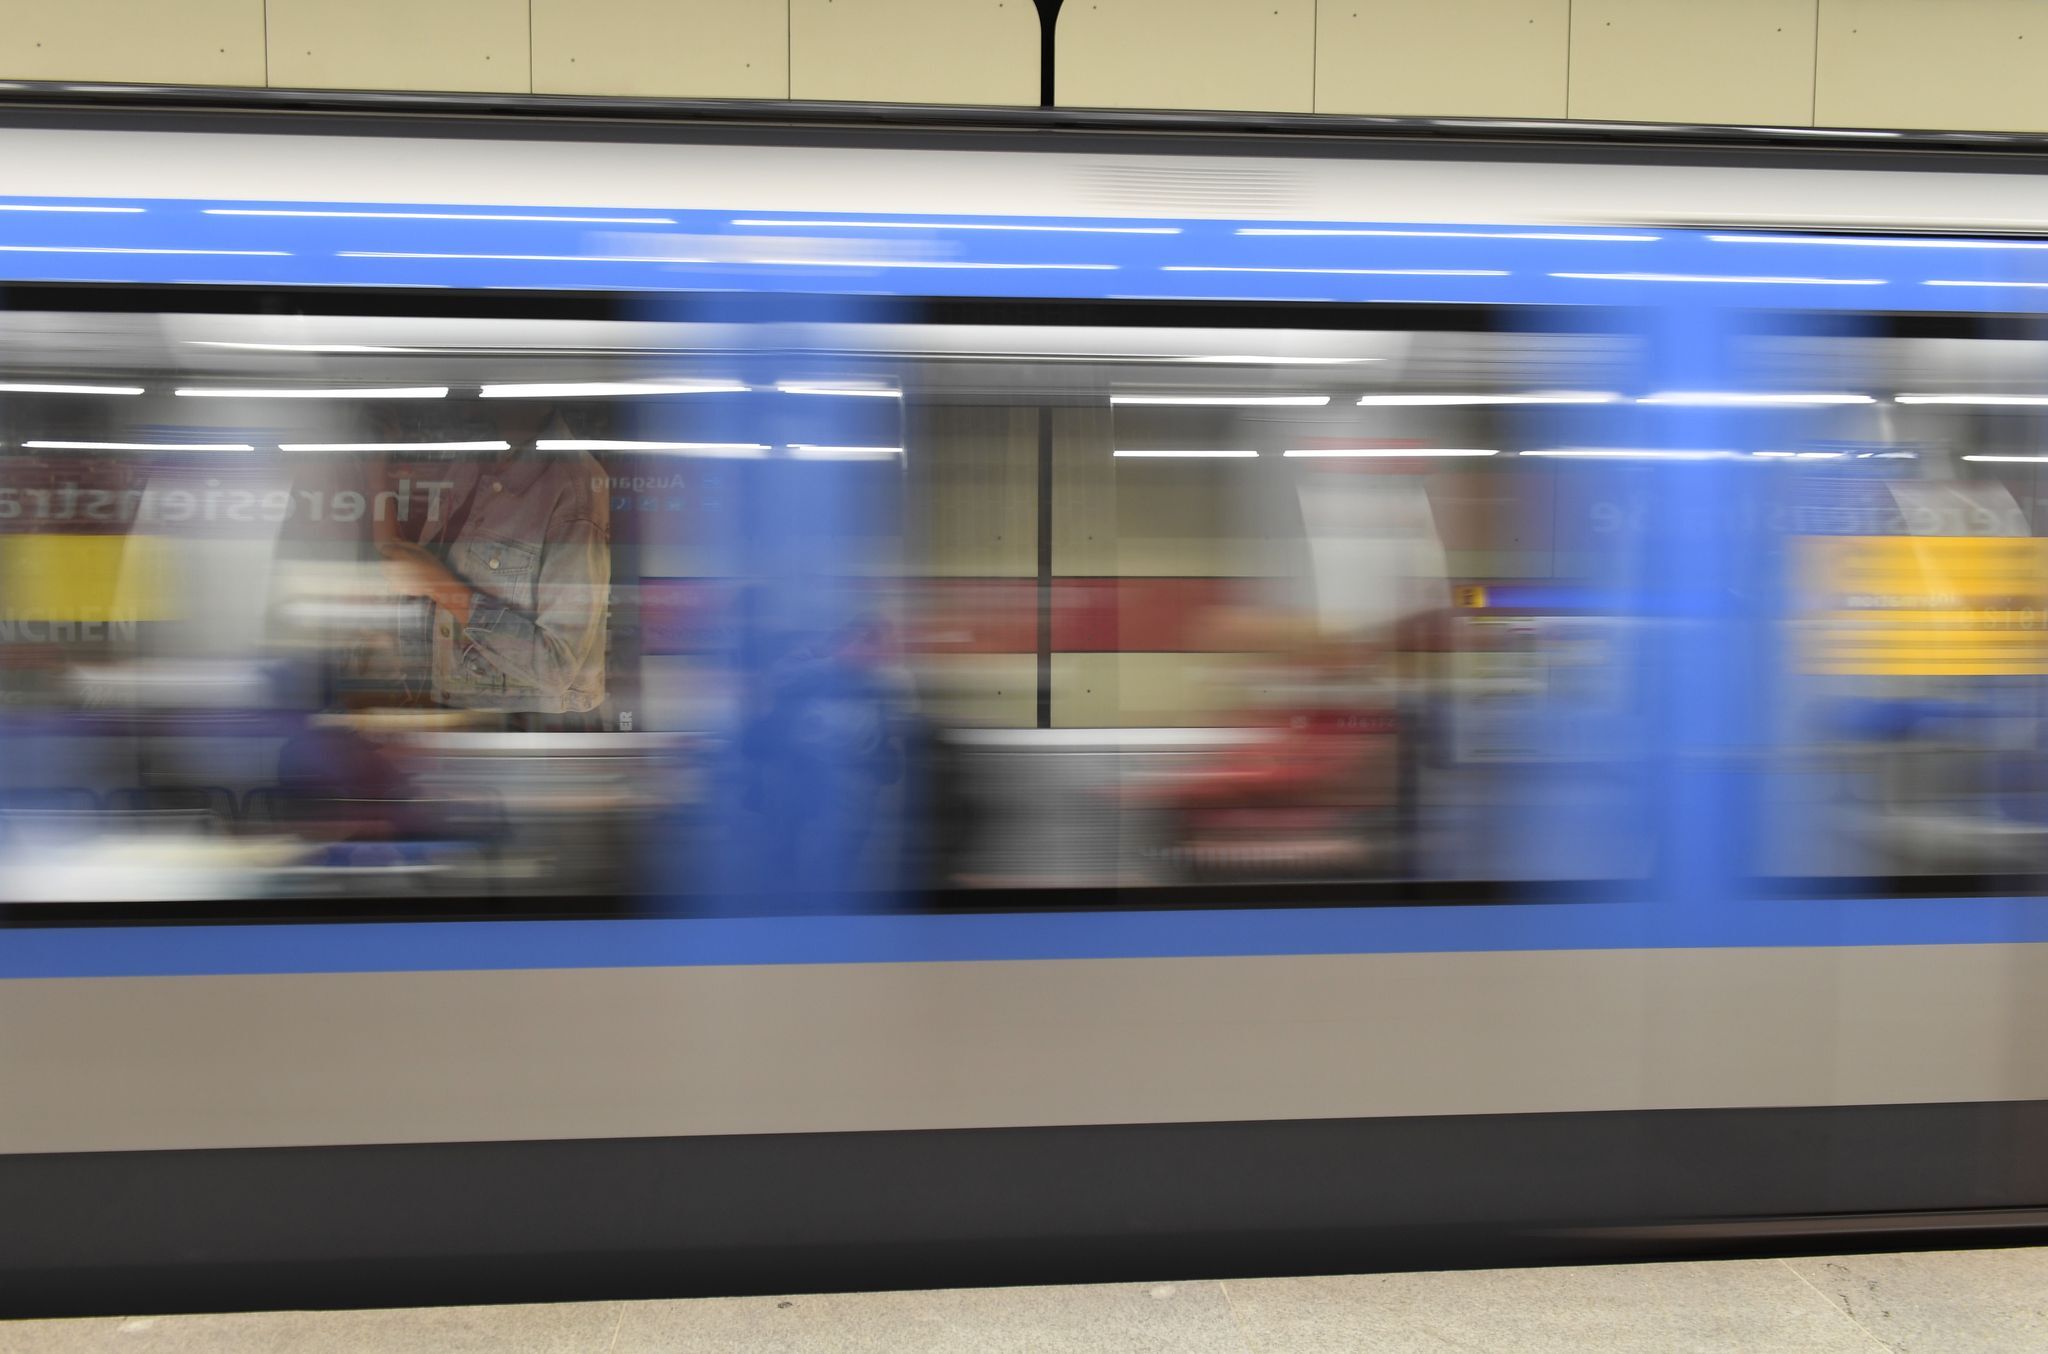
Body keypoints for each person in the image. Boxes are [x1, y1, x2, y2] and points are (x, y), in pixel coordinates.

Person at [376, 401, 610, 721]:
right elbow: (410, 566)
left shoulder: (574, 486)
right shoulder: (476, 458)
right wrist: (376, 463)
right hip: (460, 707)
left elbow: (556, 667)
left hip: (530, 726)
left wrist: (441, 587)